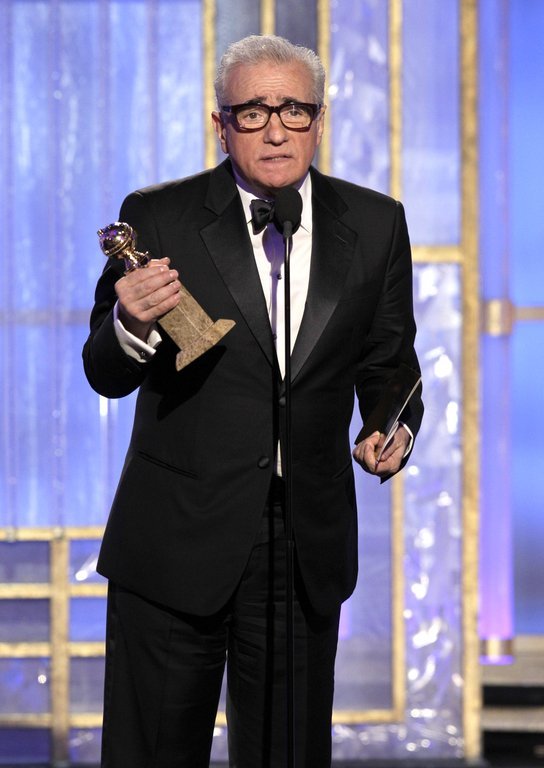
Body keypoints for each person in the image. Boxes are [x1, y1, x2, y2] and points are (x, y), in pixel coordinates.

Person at [83, 34, 423, 768]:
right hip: (176, 539)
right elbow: (104, 373)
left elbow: (390, 361)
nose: (275, 129)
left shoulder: (375, 223)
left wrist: (390, 426)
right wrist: (129, 322)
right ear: (221, 123)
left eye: (294, 109)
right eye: (253, 111)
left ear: (319, 120)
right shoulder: (159, 216)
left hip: (302, 546)